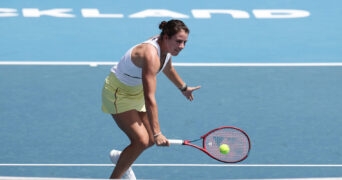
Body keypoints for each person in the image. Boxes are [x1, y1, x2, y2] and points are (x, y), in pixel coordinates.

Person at [101, 19, 201, 179]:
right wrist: (158, 133)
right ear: (167, 36)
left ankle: (122, 160)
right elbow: (150, 98)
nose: (182, 46)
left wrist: (183, 87)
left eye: (185, 42)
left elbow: (168, 68)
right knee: (141, 140)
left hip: (135, 91)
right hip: (118, 93)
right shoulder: (150, 55)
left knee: (148, 141)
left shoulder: (166, 46)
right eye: (179, 41)